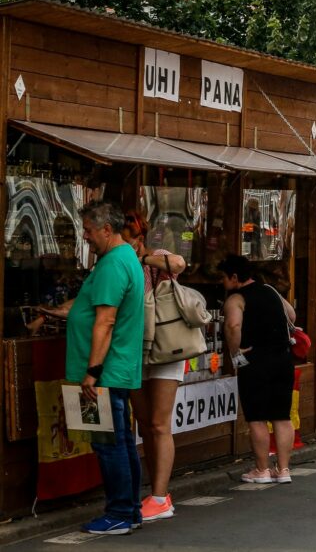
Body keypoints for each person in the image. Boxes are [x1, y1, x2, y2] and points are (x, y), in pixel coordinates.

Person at [67, 200, 145, 535]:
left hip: (104, 372)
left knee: (106, 443)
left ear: (107, 229)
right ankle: (131, 510)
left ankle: (119, 513)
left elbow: (105, 320)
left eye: (88, 230)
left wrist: (92, 372)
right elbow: (92, 310)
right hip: (116, 369)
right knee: (122, 440)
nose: (85, 237)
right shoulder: (125, 257)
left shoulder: (113, 263)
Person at [122, 211, 187, 521]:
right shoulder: (114, 263)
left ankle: (161, 497)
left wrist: (145, 259)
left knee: (160, 424)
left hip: (165, 348)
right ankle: (153, 490)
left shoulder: (155, 257)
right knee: (145, 424)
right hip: (134, 350)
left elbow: (179, 264)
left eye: (128, 241)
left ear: (138, 240)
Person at [219, 255, 296, 486]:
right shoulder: (271, 290)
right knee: (282, 416)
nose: (222, 282)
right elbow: (291, 316)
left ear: (234, 277)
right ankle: (283, 470)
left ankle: (262, 469)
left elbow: (233, 326)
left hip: (256, 361)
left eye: (223, 278)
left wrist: (235, 352)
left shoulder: (236, 298)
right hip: (283, 359)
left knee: (257, 418)